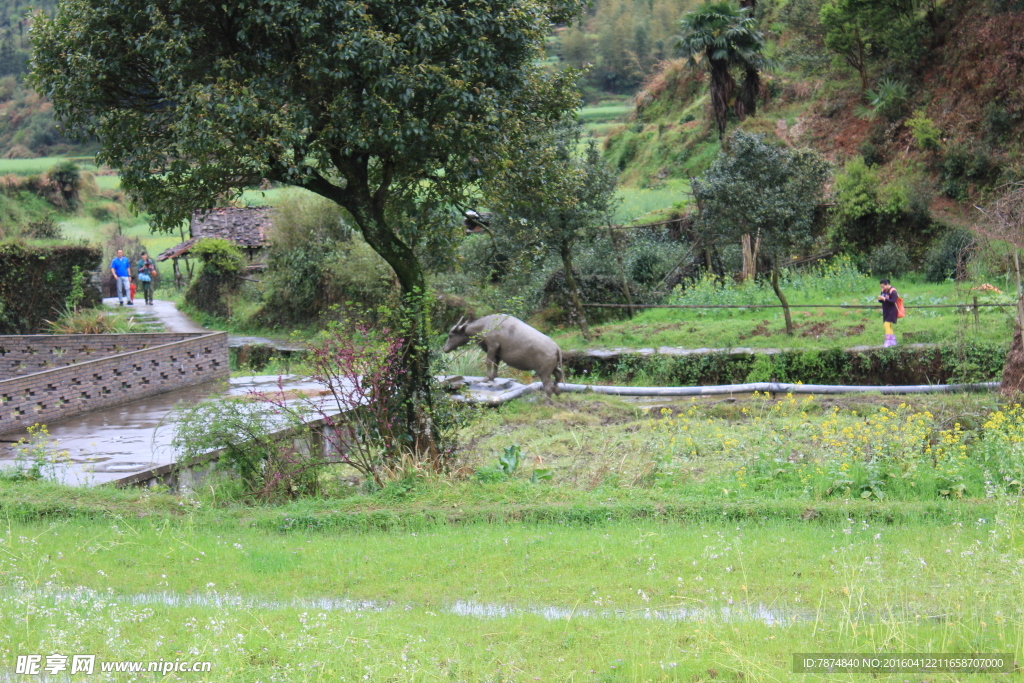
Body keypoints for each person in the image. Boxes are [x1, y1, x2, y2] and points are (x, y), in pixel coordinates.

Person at [878, 278, 898, 347]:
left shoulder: (893, 291)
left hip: (892, 310)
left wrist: (885, 299)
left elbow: (893, 301)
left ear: (887, 284)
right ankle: (892, 341)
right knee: (889, 325)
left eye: (883, 286)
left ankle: (888, 340)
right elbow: (882, 301)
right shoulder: (883, 291)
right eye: (881, 287)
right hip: (885, 310)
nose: (882, 288)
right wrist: (880, 299)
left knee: (886, 325)